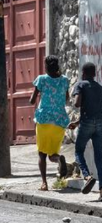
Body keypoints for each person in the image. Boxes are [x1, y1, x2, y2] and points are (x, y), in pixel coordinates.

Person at [70, 62, 102, 202]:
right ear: (94, 74)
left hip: (87, 123)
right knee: (99, 156)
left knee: (78, 151)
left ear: (84, 73)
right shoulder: (99, 88)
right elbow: (95, 108)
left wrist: (76, 97)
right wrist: (77, 122)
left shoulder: (80, 85)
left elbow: (78, 104)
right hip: (99, 123)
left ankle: (87, 176)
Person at [30, 56, 69, 191]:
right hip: (59, 120)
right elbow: (67, 98)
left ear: (46, 66)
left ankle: (44, 183)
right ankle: (59, 159)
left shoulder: (41, 79)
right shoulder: (64, 80)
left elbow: (32, 100)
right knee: (52, 154)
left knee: (42, 154)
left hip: (44, 120)